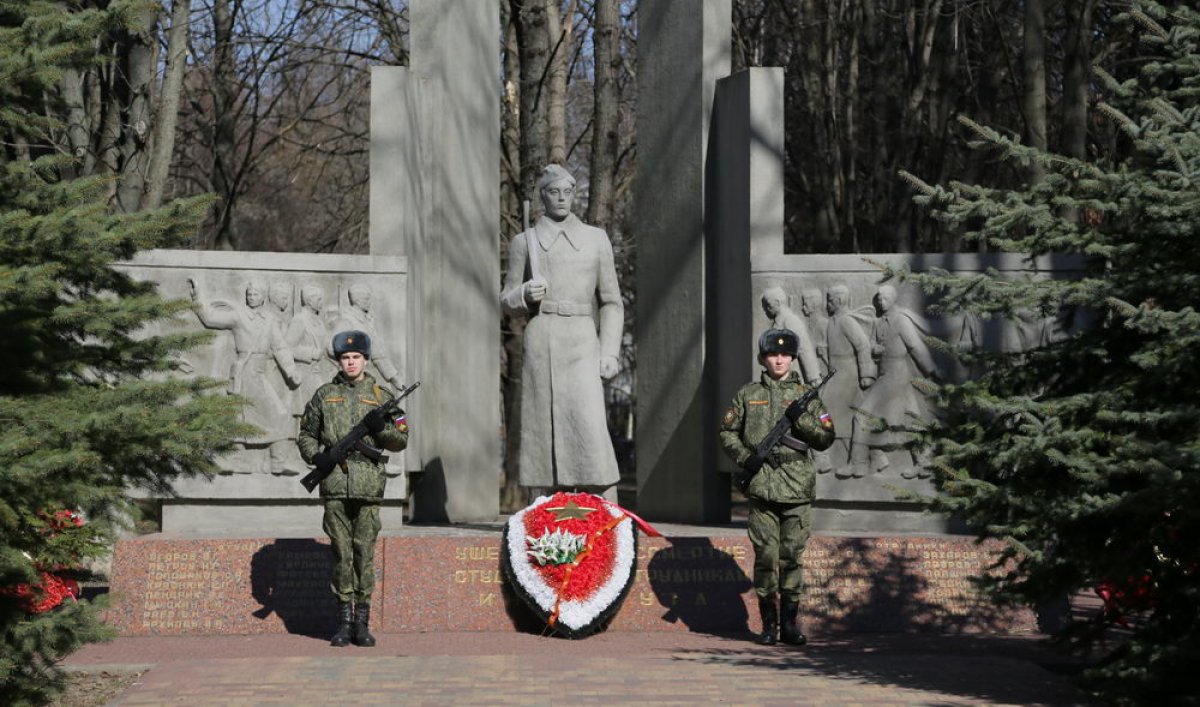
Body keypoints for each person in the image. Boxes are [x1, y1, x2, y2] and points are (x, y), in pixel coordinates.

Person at [500, 164, 623, 498]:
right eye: (554, 192)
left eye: (567, 192)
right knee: (545, 430)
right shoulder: (525, 242)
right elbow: (506, 299)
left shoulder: (596, 240)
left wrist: (610, 351)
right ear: (543, 196)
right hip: (543, 337)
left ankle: (605, 509)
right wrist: (525, 293)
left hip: (583, 339)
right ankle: (548, 512)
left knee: (589, 424)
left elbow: (612, 302)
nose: (562, 199)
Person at [719, 329, 835, 646]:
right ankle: (769, 625)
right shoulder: (747, 394)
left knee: (792, 557)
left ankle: (791, 625)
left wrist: (802, 420)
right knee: (766, 557)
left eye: (784, 354)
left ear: (793, 358)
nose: (779, 359)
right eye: (773, 354)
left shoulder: (806, 395)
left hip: (796, 486)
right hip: (761, 487)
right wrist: (747, 458)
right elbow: (727, 432)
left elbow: (825, 437)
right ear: (763, 358)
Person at [297, 330, 409, 648]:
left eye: (356, 357)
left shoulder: (381, 395)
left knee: (364, 554)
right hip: (334, 484)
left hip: (368, 486)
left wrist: (382, 428)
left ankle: (362, 623)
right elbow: (306, 433)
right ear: (339, 361)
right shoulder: (324, 394)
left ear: (366, 359)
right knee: (341, 554)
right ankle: (344, 623)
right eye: (345, 358)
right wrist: (317, 456)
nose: (350, 362)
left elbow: (401, 438)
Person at [760, 287, 822, 385]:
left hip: (791, 375)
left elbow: (804, 348)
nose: (766, 310)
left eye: (768, 306)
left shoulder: (790, 320)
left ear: (777, 302)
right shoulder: (779, 321)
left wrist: (813, 377)